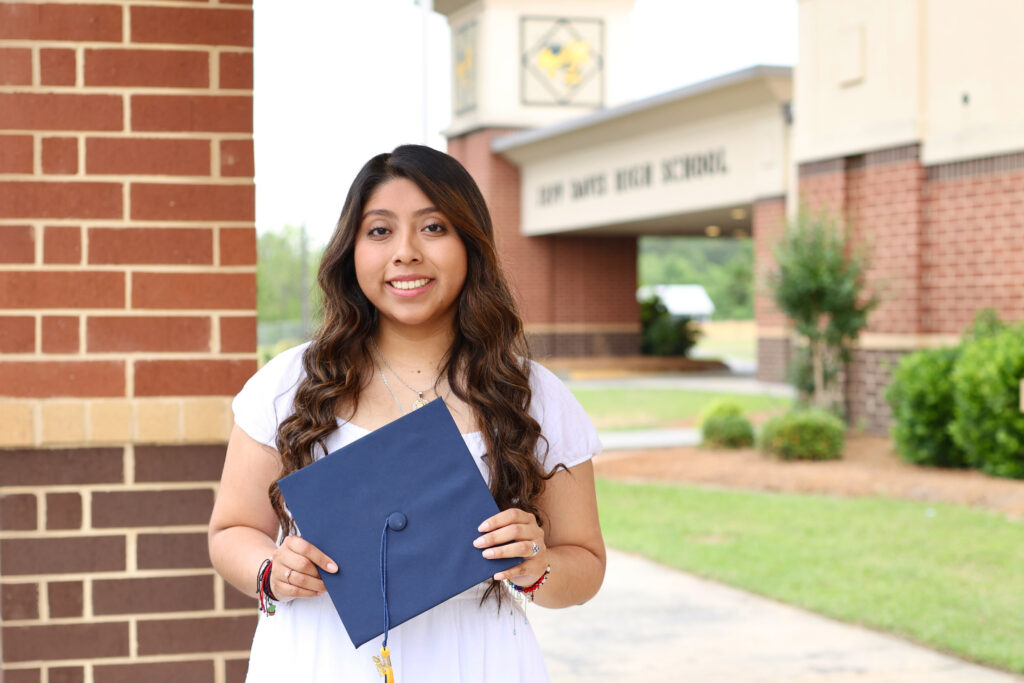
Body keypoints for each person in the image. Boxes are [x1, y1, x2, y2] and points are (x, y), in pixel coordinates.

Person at [208, 144, 606, 682]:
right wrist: (271, 569)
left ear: (470, 244)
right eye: (379, 231)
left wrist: (537, 564)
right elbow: (231, 530)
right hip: (318, 658)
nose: (406, 252)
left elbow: (584, 562)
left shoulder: (530, 393)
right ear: (352, 250)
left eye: (433, 228)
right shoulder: (289, 384)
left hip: (476, 658)